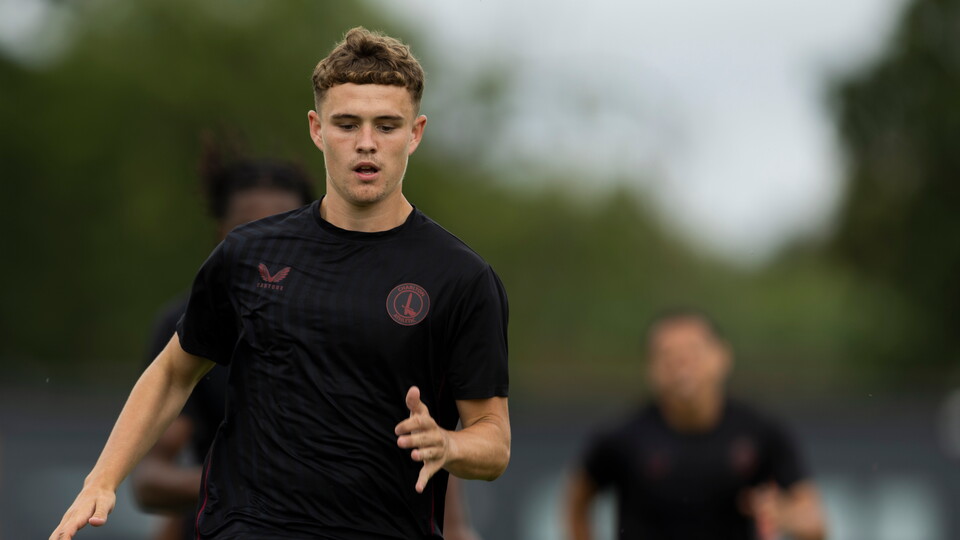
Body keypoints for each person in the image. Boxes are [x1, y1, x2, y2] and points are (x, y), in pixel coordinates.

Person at [51, 26, 510, 540]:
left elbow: (493, 441)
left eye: (386, 125)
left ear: (415, 133)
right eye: (346, 124)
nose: (366, 143)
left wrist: (448, 444)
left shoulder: (461, 277)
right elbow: (173, 374)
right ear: (317, 129)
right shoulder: (249, 254)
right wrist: (101, 480)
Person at [131, 147, 315, 539]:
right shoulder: (188, 325)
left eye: (286, 229)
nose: (269, 247)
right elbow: (149, 478)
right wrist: (240, 484)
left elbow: (424, 451)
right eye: (250, 231)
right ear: (221, 237)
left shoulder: (358, 317)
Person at [565, 308, 826, 540]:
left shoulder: (762, 433)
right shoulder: (621, 438)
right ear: (650, 369)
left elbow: (815, 525)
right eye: (666, 355)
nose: (681, 364)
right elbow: (576, 500)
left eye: (693, 352)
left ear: (722, 357)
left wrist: (787, 516)